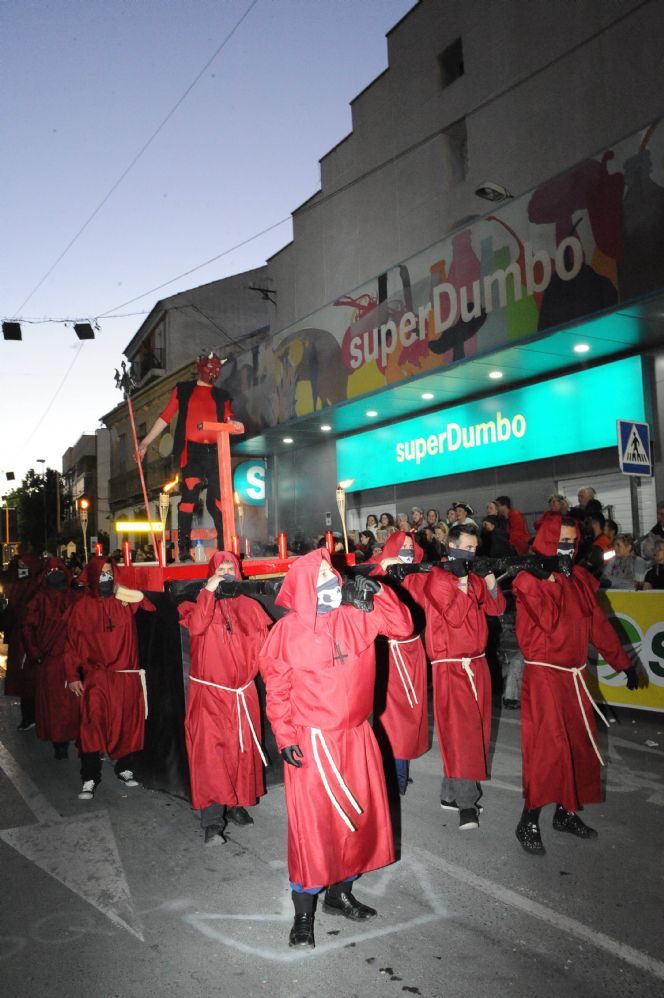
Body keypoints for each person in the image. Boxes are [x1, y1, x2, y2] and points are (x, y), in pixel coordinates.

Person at [259, 548, 412, 949]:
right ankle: (303, 914)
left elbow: (402, 627)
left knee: (355, 824)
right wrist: (286, 737)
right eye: (325, 575)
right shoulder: (287, 632)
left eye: (335, 574)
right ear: (306, 585)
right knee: (313, 831)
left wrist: (379, 591)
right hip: (313, 743)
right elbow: (277, 692)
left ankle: (340, 894)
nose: (334, 580)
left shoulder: (354, 614)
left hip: (357, 738)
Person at [512, 517, 639, 855]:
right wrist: (549, 579)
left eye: (572, 541)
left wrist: (623, 664)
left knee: (579, 746)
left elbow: (597, 625)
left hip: (574, 676)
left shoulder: (580, 578)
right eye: (561, 541)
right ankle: (528, 821)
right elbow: (549, 622)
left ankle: (566, 813)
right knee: (547, 751)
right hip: (545, 677)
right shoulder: (528, 581)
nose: (567, 548)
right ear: (548, 541)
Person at [179, 551, 272, 845]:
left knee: (240, 753)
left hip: (242, 695)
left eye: (231, 566)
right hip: (209, 695)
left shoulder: (250, 606)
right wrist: (209, 590)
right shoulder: (196, 604)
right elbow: (196, 627)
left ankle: (234, 805)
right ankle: (211, 819)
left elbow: (264, 652)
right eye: (221, 567)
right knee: (211, 757)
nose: (227, 571)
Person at [421, 524, 506, 830]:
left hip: (477, 663)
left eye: (474, 549)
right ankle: (467, 804)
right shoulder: (437, 579)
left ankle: (449, 793)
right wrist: (460, 580)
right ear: (451, 546)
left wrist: (488, 576)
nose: (470, 554)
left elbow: (496, 608)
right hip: (450, 666)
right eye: (465, 548)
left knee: (473, 731)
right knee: (462, 734)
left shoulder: (472, 576)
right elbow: (455, 616)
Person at [64, 557, 156, 800]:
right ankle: (90, 776)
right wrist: (72, 675)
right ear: (92, 577)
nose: (105, 577)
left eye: (109, 573)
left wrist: (123, 591)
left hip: (126, 677)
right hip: (97, 677)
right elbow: (71, 645)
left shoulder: (124, 601)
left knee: (127, 723)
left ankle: (124, 767)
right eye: (101, 573)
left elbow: (149, 605)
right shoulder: (81, 607)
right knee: (91, 726)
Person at [137, 351, 235, 561]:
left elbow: (229, 418)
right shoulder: (183, 390)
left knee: (218, 500)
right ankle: (183, 548)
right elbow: (165, 416)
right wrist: (145, 442)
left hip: (217, 451)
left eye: (217, 369)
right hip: (192, 451)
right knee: (190, 495)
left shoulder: (223, 395)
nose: (214, 372)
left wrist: (234, 423)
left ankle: (224, 548)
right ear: (200, 367)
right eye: (210, 367)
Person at [367, 531, 430, 795]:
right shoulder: (376, 570)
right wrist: (384, 569)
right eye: (401, 547)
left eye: (410, 547)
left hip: (412, 651)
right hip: (388, 652)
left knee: (410, 711)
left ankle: (397, 770)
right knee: (392, 717)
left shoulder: (418, 575)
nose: (406, 551)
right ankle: (395, 777)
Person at [22, 557, 80, 759]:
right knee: (57, 705)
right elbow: (28, 628)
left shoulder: (73, 597)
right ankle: (60, 742)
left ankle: (71, 740)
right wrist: (36, 653)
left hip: (70, 659)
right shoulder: (40, 599)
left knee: (71, 704)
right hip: (52, 660)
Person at [3, 551, 42, 730]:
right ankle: (29, 716)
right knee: (23, 679)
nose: (21, 569)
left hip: (34, 638)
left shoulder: (38, 585)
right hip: (19, 639)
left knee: (34, 679)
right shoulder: (16, 582)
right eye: (19, 566)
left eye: (24, 566)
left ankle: (35, 715)